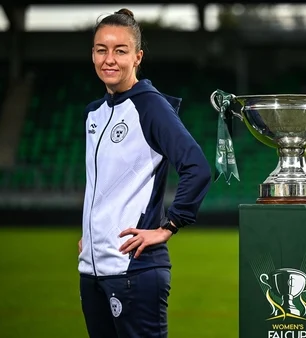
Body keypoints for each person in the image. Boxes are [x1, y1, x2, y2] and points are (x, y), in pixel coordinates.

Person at [77, 8, 212, 338]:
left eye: (120, 51)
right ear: (92, 54)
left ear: (137, 57)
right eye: (101, 49)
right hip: (92, 271)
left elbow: (197, 167)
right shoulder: (94, 113)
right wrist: (93, 236)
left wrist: (168, 227)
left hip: (134, 271)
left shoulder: (149, 106)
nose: (109, 59)